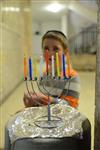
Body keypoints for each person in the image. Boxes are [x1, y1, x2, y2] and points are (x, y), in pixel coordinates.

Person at [23, 30, 80, 108]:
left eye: (56, 49)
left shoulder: (72, 76)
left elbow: (71, 106)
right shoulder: (44, 74)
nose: (50, 53)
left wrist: (46, 99)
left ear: (65, 52)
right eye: (46, 48)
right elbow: (43, 104)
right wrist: (33, 100)